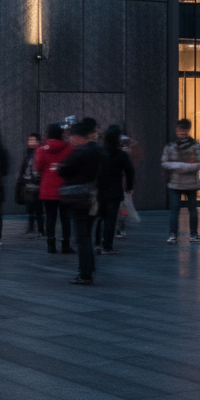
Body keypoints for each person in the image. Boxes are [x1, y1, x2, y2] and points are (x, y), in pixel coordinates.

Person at [57, 118, 105, 285]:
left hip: (78, 198)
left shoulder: (80, 151)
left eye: (72, 136)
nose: (70, 139)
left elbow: (64, 170)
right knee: (87, 235)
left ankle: (85, 273)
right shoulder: (99, 150)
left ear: (78, 136)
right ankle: (89, 268)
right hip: (94, 198)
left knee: (81, 237)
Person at [162, 119, 200, 244]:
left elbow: (165, 162)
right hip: (180, 182)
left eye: (182, 130)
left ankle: (177, 234)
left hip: (183, 183)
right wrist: (184, 166)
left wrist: (177, 166)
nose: (180, 132)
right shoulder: (176, 146)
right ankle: (189, 234)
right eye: (178, 130)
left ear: (187, 130)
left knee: (180, 210)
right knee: (184, 209)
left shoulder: (174, 146)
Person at [94, 125, 135, 255]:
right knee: (111, 219)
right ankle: (107, 246)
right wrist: (129, 187)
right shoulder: (121, 154)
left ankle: (97, 244)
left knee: (100, 217)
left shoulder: (100, 152)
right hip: (114, 190)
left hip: (100, 189)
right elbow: (130, 171)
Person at [36, 124, 73, 255]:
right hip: (64, 188)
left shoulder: (41, 149)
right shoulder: (69, 148)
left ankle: (51, 245)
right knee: (66, 218)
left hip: (47, 188)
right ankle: (66, 244)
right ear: (61, 134)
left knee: (50, 218)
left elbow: (38, 167)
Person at [18, 133, 44, 237]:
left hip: (37, 185)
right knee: (30, 208)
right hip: (28, 184)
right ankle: (31, 227)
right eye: (30, 140)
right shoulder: (28, 153)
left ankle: (41, 229)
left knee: (38, 209)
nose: (31, 143)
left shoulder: (40, 152)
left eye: (33, 140)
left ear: (38, 142)